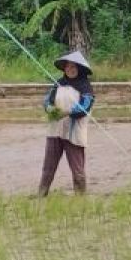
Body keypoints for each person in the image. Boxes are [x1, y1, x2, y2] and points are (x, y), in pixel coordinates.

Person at [38, 50, 94, 196]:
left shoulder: (86, 87)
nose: (70, 69)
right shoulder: (58, 84)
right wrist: (50, 109)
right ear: (64, 69)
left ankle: (80, 195)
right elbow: (47, 101)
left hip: (74, 132)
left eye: (73, 67)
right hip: (54, 131)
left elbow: (85, 107)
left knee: (77, 168)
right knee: (48, 166)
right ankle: (42, 193)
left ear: (79, 69)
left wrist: (67, 112)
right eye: (68, 67)